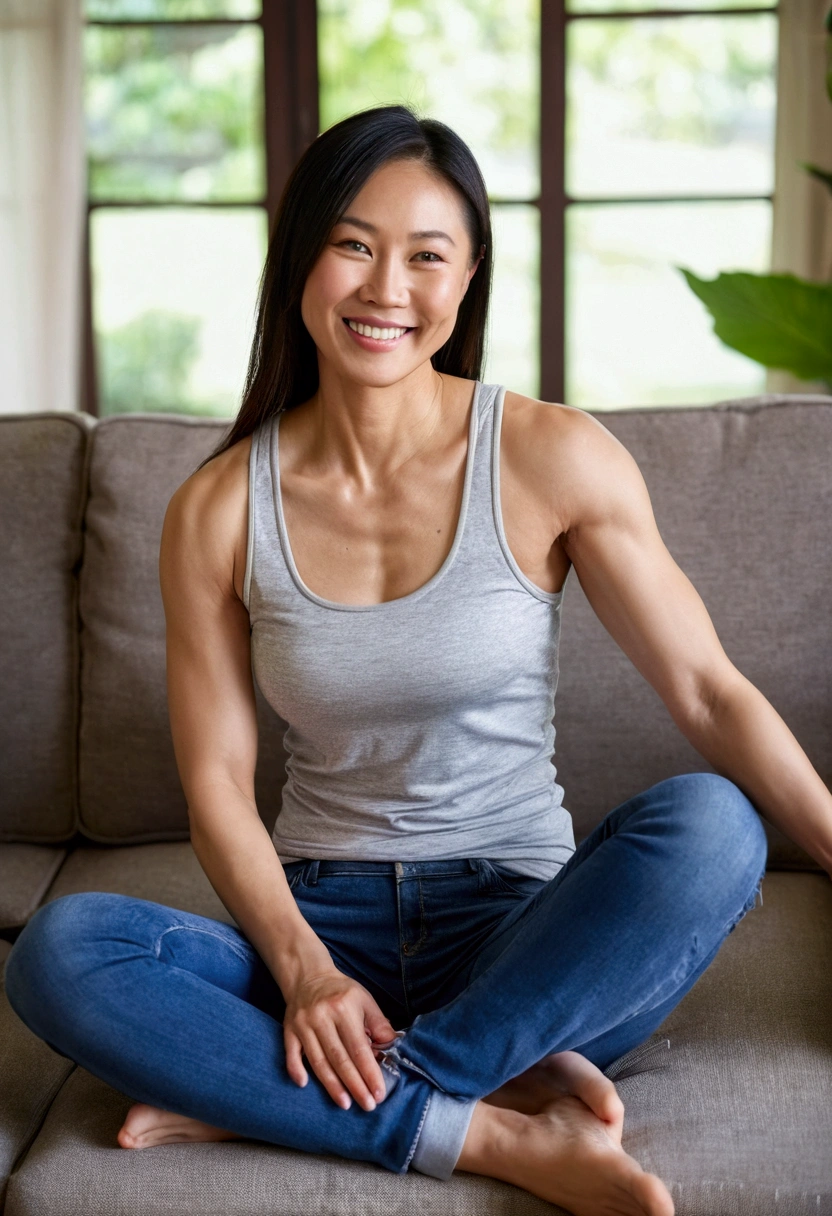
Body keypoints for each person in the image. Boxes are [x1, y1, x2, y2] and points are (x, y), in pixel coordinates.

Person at [6, 104, 832, 1216]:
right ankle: (486, 1123)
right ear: (299, 256)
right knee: (62, 949)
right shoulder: (215, 508)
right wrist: (301, 972)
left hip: (527, 933)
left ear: (467, 276)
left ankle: (300, 1095)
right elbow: (214, 788)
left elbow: (706, 689)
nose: (385, 287)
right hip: (317, 930)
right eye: (351, 243)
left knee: (712, 824)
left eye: (425, 255)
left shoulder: (551, 454)